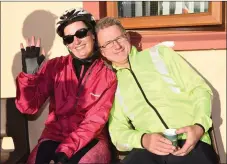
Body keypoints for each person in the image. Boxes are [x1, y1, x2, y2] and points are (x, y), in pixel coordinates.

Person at [95, 17, 219, 164]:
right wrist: (143, 140)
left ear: (127, 37)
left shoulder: (160, 55)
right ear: (102, 52)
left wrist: (199, 126)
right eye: (108, 43)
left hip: (189, 141)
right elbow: (117, 133)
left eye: (119, 38)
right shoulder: (111, 83)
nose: (116, 46)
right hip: (148, 150)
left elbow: (199, 89)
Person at [15, 9, 117, 164]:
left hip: (91, 138)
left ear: (93, 34)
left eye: (81, 33)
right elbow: (28, 108)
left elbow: (94, 122)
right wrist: (29, 76)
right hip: (54, 136)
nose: (76, 42)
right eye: (69, 38)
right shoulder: (54, 66)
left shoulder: (108, 74)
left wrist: (66, 149)